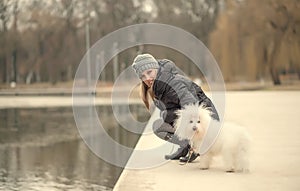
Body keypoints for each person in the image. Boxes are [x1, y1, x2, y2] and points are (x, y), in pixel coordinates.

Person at [132, 53, 219, 163]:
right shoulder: (159, 84)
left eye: (149, 72)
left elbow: (191, 104)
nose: (147, 78)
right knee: (163, 117)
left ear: (157, 68)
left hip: (206, 123)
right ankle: (185, 148)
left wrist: (191, 133)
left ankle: (193, 147)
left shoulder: (172, 82)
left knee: (159, 126)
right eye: (143, 76)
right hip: (199, 122)